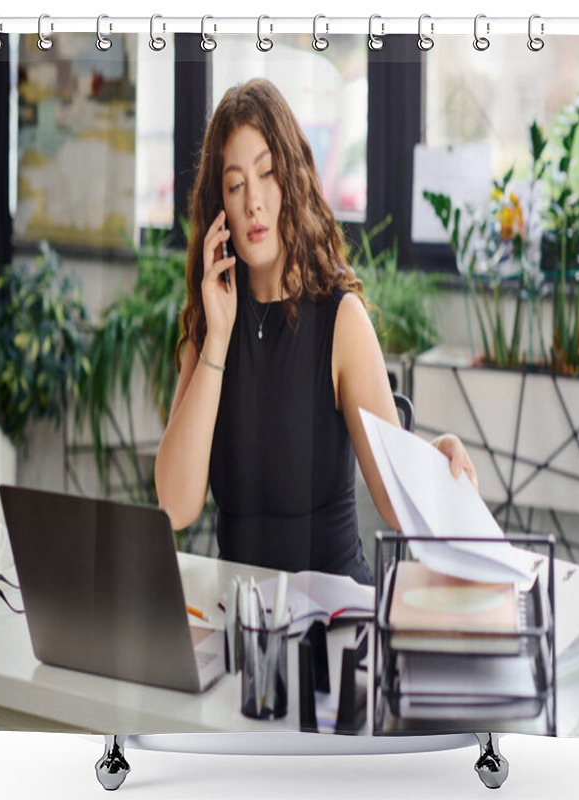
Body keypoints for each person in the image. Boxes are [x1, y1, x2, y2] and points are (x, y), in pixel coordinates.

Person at [155, 78, 477, 584]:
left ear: (294, 181)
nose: (254, 203)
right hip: (240, 621)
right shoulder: (210, 324)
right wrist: (216, 339)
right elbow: (174, 506)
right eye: (235, 185)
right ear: (220, 208)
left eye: (267, 175)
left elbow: (397, 502)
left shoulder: (340, 319)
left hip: (333, 620)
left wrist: (437, 462)